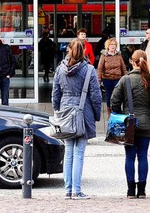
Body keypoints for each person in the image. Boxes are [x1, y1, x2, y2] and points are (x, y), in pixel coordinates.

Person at [52, 38, 102, 200]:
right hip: (83, 112)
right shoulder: (88, 70)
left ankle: (67, 190)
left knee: (68, 153)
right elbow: (95, 96)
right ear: (84, 51)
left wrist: (57, 110)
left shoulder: (60, 69)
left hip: (66, 111)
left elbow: (55, 93)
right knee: (79, 153)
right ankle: (77, 190)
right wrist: (96, 114)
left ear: (69, 50)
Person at [111, 50, 150, 199]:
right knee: (143, 156)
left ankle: (130, 190)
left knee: (129, 157)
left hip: (128, 123)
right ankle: (142, 190)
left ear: (132, 62)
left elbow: (114, 101)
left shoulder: (125, 80)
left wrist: (121, 115)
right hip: (145, 122)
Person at [97, 37, 127, 117]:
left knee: (117, 94)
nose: (113, 46)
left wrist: (126, 77)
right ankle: (109, 111)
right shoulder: (104, 56)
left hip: (117, 78)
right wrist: (99, 80)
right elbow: (100, 68)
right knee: (109, 95)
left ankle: (117, 110)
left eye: (114, 44)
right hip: (107, 78)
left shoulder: (119, 55)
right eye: (111, 45)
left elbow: (123, 67)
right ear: (108, 46)